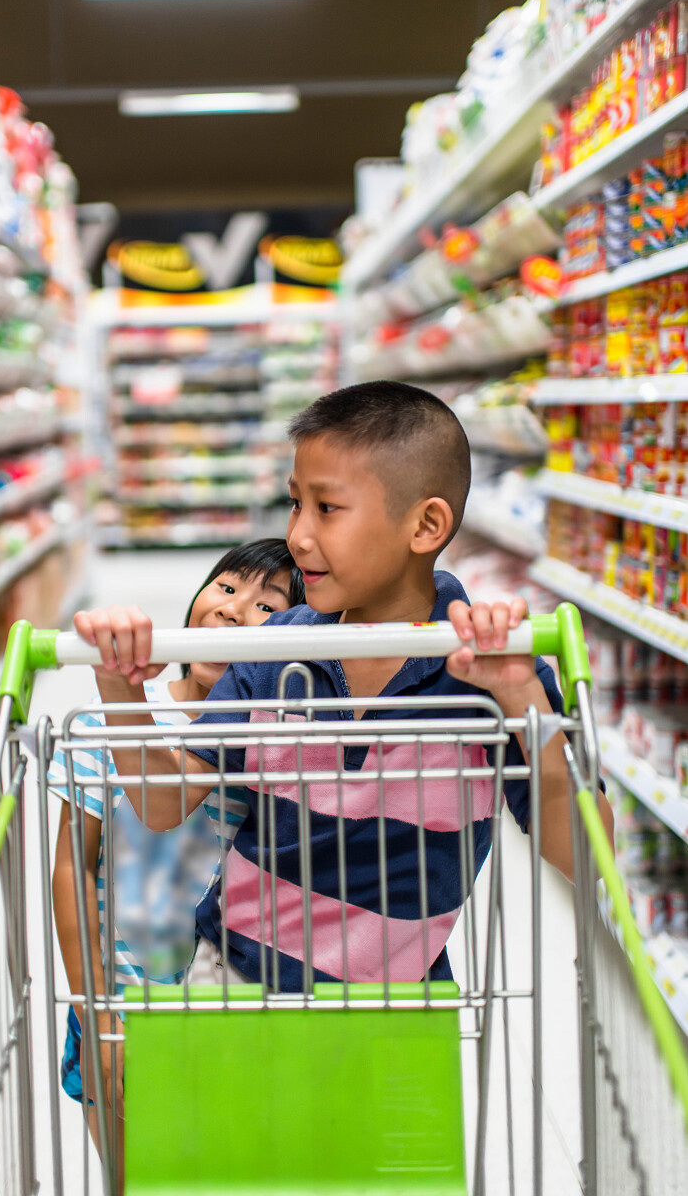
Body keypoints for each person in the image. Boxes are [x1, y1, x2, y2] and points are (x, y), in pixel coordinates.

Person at [89, 380, 614, 995]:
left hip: (394, 1001)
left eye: (327, 509)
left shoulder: (485, 672)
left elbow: (584, 853)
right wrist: (117, 687)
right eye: (294, 504)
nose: (298, 536)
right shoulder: (277, 650)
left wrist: (520, 697)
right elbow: (161, 804)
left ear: (425, 525)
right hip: (233, 979)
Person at [49, 539, 304, 1155]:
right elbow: (71, 868)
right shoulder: (104, 721)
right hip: (117, 995)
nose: (235, 610)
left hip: (232, 1003)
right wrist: (97, 1009)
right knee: (130, 1169)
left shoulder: (271, 739)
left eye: (268, 607)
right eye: (226, 587)